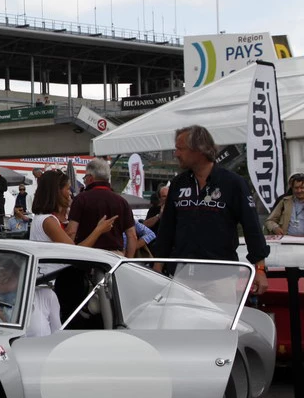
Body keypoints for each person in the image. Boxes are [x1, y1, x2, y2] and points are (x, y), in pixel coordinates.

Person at [152, 125, 269, 294]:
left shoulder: (233, 183)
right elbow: (166, 229)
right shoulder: (178, 184)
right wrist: (157, 266)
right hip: (181, 275)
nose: (176, 154)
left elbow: (252, 228)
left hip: (221, 276)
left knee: (222, 314)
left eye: (180, 149)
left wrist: (260, 269)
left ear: (199, 150)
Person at [66, 158, 137, 257]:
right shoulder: (122, 202)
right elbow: (132, 236)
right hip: (115, 257)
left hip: (87, 255)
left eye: (85, 178)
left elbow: (71, 232)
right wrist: (127, 260)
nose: (84, 181)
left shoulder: (81, 199)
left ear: (90, 178)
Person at [29, 170, 117, 247]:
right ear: (57, 192)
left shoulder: (42, 217)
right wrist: (99, 230)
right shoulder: (49, 221)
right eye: (68, 189)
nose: (70, 193)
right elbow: (74, 251)